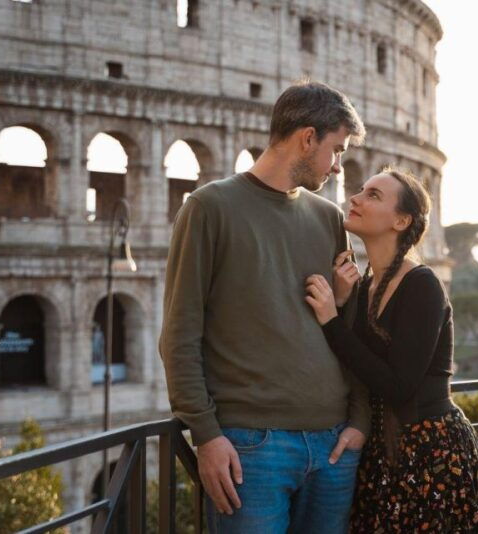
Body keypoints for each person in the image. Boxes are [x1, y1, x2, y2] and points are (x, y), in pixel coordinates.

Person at [159, 81, 371, 533]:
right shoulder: (207, 208)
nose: (338, 166)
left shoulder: (329, 219)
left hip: (334, 447)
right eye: (336, 150)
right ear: (307, 137)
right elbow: (179, 334)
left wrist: (358, 420)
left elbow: (349, 328)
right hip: (251, 449)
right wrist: (207, 434)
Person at [305, 167, 478, 532]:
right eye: (361, 190)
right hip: (383, 454)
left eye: (374, 195)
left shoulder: (423, 285)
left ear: (401, 220)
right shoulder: (364, 287)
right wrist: (344, 305)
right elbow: (357, 361)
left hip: (432, 454)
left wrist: (331, 319)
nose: (356, 198)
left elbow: (398, 385)